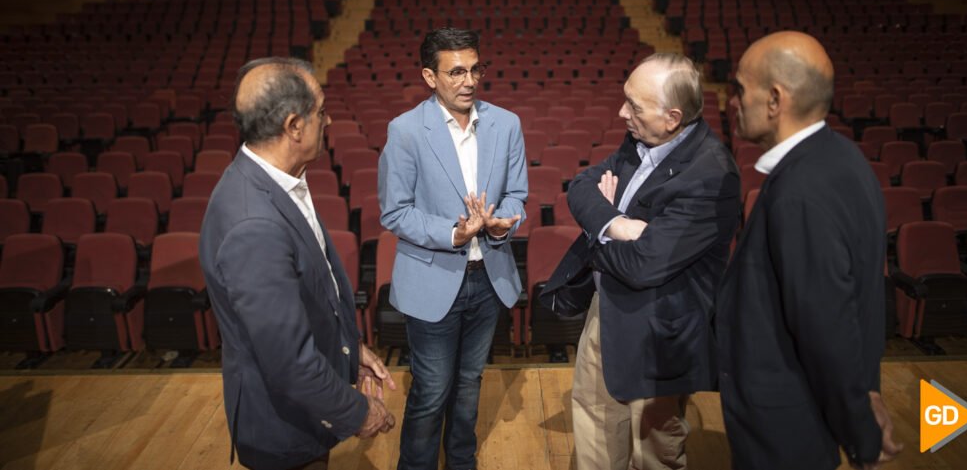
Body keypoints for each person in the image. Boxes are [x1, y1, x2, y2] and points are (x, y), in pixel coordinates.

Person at [717, 31, 903, 470]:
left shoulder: (800, 192)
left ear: (775, 100)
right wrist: (867, 390)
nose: (732, 101)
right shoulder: (844, 159)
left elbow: (827, 326)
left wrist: (861, 434)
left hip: (785, 426)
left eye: (741, 89)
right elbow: (864, 295)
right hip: (805, 418)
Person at [200, 57, 396, 470]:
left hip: (299, 414)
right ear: (293, 126)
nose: (327, 120)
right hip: (281, 428)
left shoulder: (271, 180)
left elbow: (310, 289)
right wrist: (358, 411)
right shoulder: (253, 224)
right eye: (321, 112)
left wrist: (349, 347)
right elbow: (288, 361)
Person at [560, 53, 740, 470]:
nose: (622, 112)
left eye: (634, 106)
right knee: (594, 416)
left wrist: (596, 235)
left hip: (658, 332)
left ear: (672, 117)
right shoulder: (641, 139)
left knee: (653, 448)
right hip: (606, 310)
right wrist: (617, 224)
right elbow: (583, 186)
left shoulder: (711, 174)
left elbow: (645, 265)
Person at [378, 27, 528, 470]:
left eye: (475, 69)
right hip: (433, 281)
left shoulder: (506, 124)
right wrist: (453, 234)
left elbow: (518, 194)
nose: (469, 81)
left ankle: (462, 462)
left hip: (489, 279)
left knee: (469, 385)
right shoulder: (405, 131)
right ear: (430, 76)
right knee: (431, 392)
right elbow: (396, 212)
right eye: (456, 72)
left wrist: (501, 224)